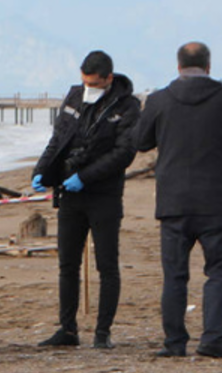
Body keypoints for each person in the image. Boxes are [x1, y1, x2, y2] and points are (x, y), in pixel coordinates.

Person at [134, 42, 222, 358]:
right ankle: (213, 339)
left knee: (174, 275)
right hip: (215, 202)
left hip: (173, 203)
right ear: (208, 66)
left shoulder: (159, 100)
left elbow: (140, 141)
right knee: (218, 272)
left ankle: (174, 343)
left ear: (178, 66)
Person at [30, 50, 141, 349]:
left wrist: (86, 177)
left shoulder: (128, 106)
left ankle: (103, 332)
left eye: (94, 82)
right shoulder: (75, 97)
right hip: (69, 195)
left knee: (107, 265)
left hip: (103, 196)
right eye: (84, 81)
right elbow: (58, 139)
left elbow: (124, 153)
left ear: (109, 78)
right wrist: (42, 170)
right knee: (67, 264)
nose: (88, 86)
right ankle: (67, 330)